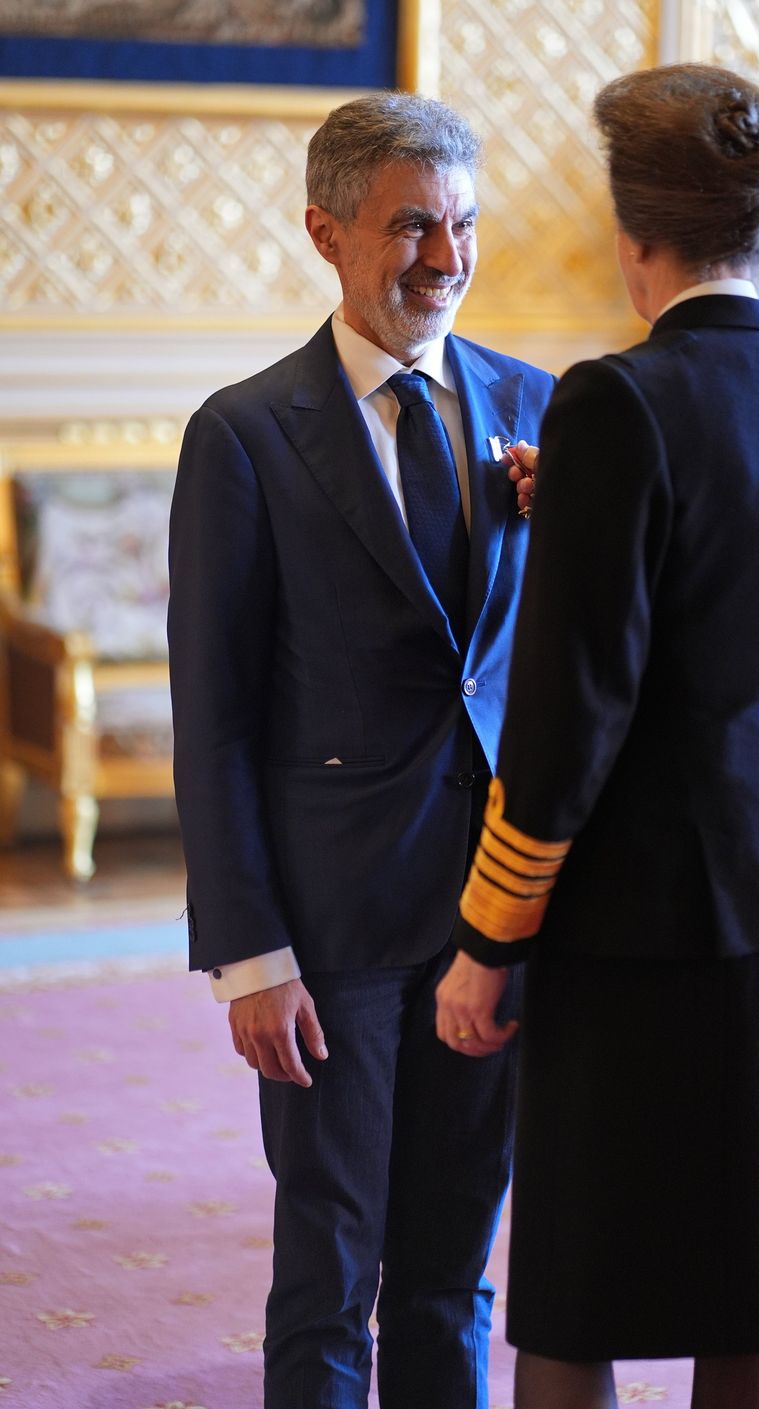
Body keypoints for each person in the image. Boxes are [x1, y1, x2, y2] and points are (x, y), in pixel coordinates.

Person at [435, 63, 759, 1409]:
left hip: (646, 905)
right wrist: (578, 495)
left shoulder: (615, 403)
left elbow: (574, 707)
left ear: (632, 232)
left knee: (581, 1290)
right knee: (742, 1274)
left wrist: (489, 937)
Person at [167, 91, 555, 1409]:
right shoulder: (246, 433)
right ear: (328, 234)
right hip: (329, 930)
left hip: (495, 911)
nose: (445, 259)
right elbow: (211, 713)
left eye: (463, 227)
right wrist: (249, 955)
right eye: (409, 229)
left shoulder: (532, 406)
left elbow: (560, 663)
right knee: (330, 1270)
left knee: (457, 1269)